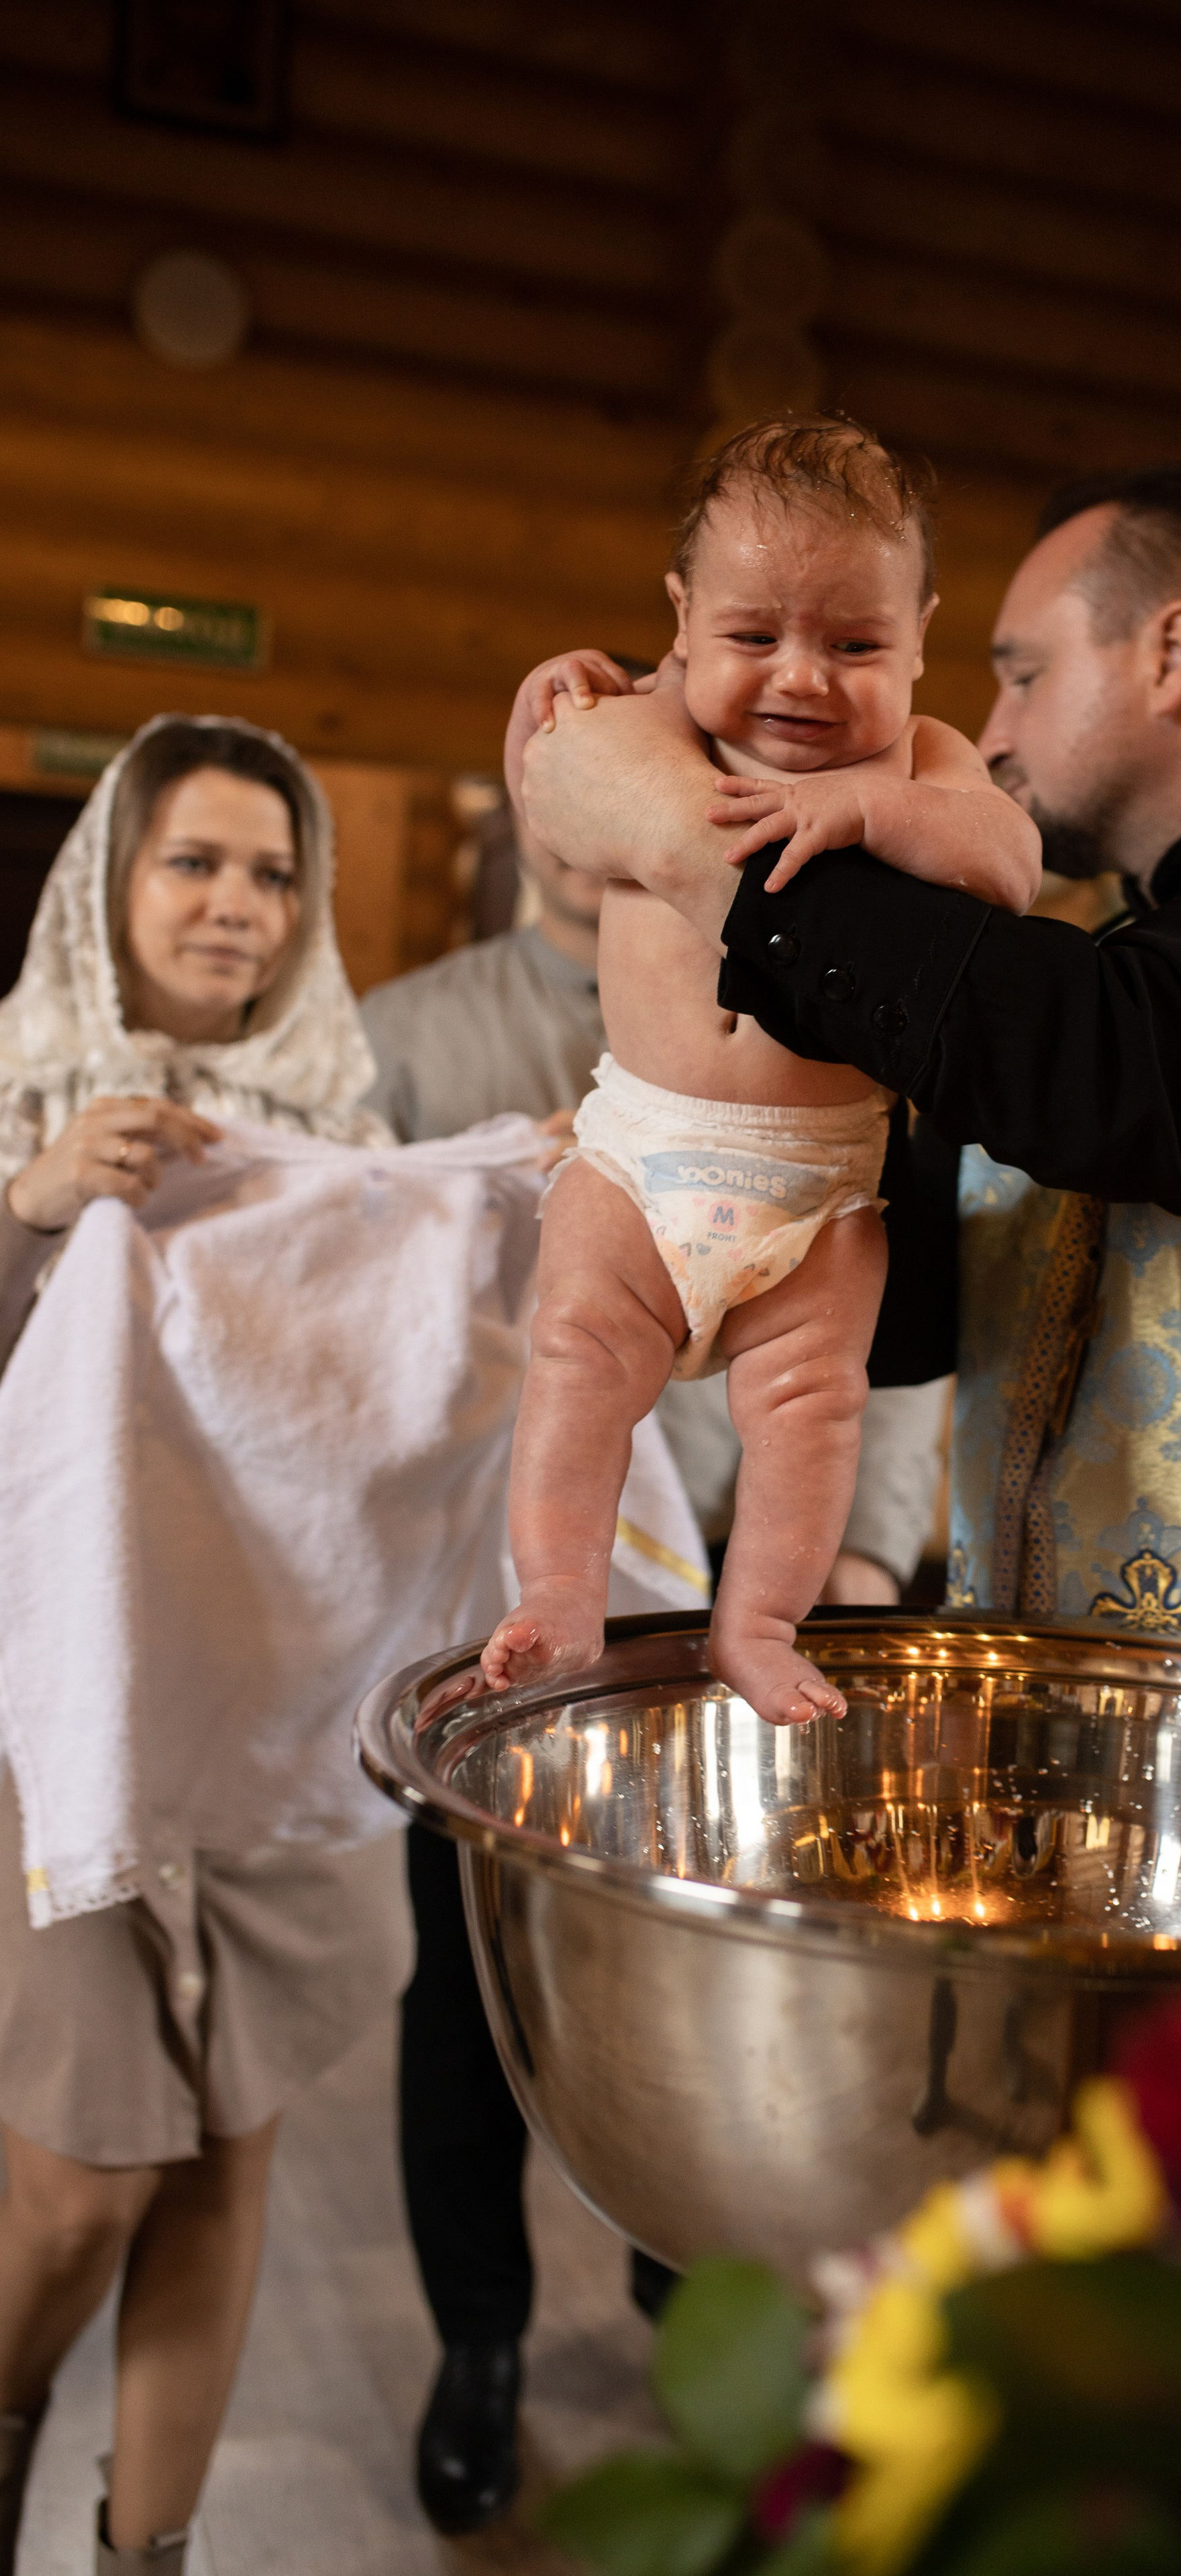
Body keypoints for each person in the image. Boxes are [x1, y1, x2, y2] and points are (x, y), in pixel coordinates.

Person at [510, 462, 1181, 1731]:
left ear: (1172, 651)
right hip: (1084, 1745)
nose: (1000, 729)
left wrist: (673, 825)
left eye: (1023, 673)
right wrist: (701, 1181)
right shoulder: (1123, 954)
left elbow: (1123, 1083)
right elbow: (920, 1304)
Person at [360, 771, 947, 2536]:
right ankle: (478, 2352)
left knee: (737, 2003)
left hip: (753, 1602)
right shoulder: (417, 1031)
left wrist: (862, 1537)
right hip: (515, 1602)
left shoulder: (822, 969)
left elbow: (896, 1282)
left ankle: (708, 2340)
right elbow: (357, 1312)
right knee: (464, 2007)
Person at [0, 717, 435, 2576]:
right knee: (84, 2181)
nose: (239, 908)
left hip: (274, 1719)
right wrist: (25, 1216)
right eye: (195, 863)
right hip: (61, 1730)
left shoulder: (349, 1142)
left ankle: (143, 2560)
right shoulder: (10, 1108)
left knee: (226, 2152)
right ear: (113, 882)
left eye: (274, 873)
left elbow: (405, 1423)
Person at [480, 418, 1035, 1725]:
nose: (801, 680)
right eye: (751, 638)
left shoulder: (919, 760)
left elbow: (1005, 862)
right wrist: (535, 714)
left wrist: (868, 812)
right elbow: (555, 817)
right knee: (573, 1356)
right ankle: (559, 1589)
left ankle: (762, 1620)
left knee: (809, 1412)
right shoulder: (646, 722)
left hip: (821, 1189)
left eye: (854, 646)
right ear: (679, 614)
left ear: (920, 630)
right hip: (641, 1150)